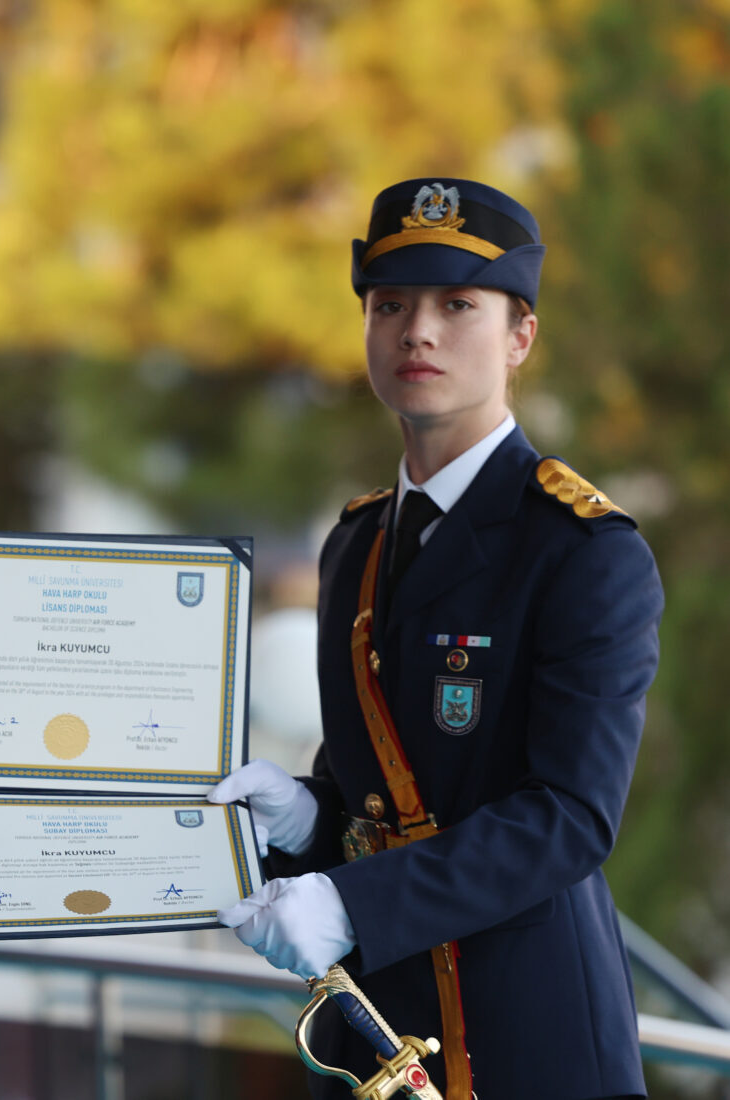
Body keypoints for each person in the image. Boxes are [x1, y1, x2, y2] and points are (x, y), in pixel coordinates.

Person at [210, 179, 662, 1099]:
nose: (418, 332)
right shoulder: (358, 542)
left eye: (458, 304)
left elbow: (571, 816)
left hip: (524, 1030)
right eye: (390, 305)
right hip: (377, 1030)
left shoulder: (580, 550)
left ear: (520, 334)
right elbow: (374, 781)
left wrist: (349, 901)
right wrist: (309, 818)